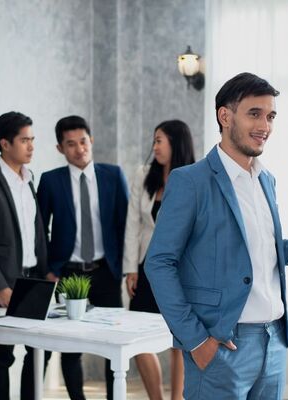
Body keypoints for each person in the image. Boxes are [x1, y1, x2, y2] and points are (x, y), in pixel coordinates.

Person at [145, 72, 288, 399]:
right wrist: (197, 342)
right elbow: (158, 263)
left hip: (274, 344)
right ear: (225, 116)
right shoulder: (191, 182)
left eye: (270, 116)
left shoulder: (266, 181)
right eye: (254, 114)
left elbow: (268, 254)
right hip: (221, 346)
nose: (265, 126)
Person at [37, 115, 129, 400]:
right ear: (60, 148)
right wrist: (49, 269)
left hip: (106, 271)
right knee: (70, 344)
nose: (79, 149)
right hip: (69, 273)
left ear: (92, 140)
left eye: (83, 141)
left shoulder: (113, 175)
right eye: (71, 144)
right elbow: (39, 228)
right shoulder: (51, 181)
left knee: (113, 343)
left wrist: (125, 268)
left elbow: (125, 224)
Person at [0, 111, 52, 400]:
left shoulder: (29, 179)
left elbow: (37, 231)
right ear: (5, 143)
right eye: (24, 140)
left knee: (40, 347)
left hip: (32, 279)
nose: (31, 146)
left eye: (32, 139)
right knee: (2, 352)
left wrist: (46, 272)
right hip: (1, 281)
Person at [123, 120, 195, 400]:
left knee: (180, 341)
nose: (154, 147)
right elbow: (133, 225)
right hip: (145, 267)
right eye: (153, 141)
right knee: (139, 338)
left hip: (181, 271)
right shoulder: (143, 175)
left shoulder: (192, 178)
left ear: (176, 143)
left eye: (159, 141)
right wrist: (130, 269)